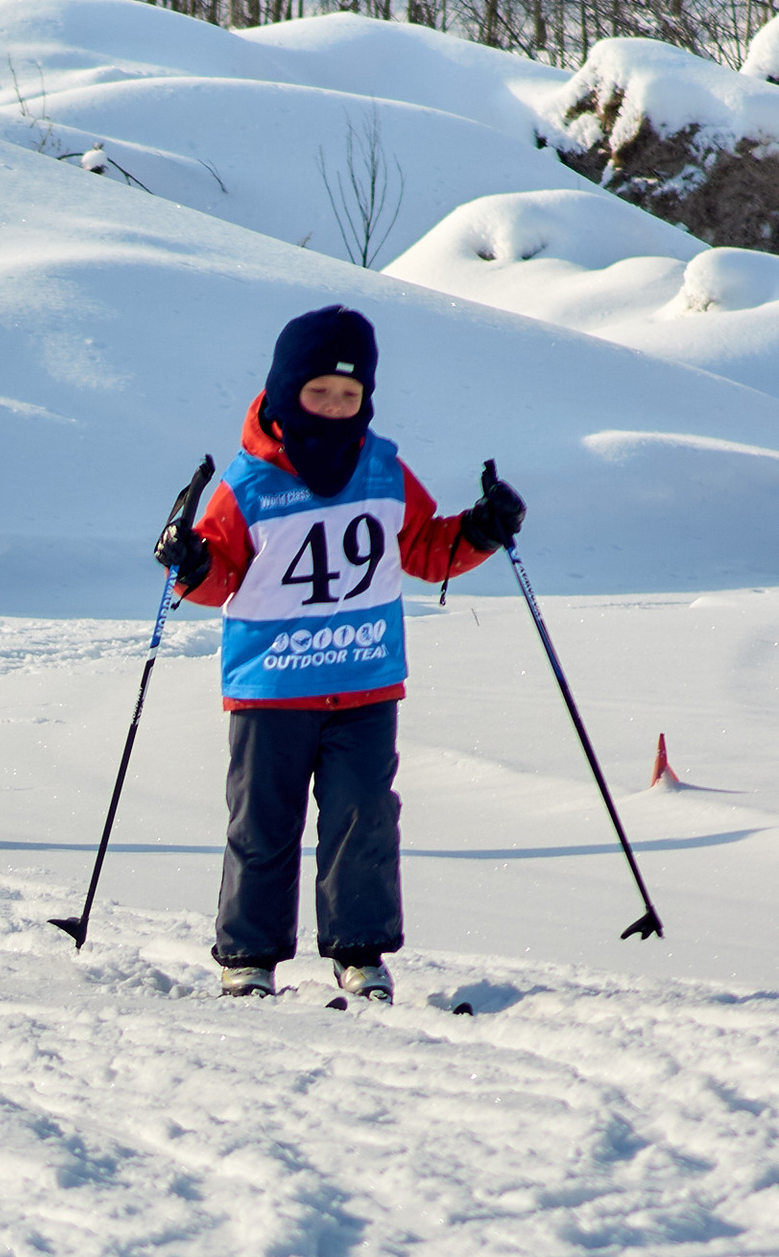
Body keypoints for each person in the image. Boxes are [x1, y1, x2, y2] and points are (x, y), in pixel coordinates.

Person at [159, 303, 523, 1000]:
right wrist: (190, 562)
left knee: (365, 821)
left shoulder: (384, 472)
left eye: (348, 395)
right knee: (263, 825)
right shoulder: (248, 484)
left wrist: (481, 530)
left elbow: (423, 549)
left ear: (367, 400)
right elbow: (219, 576)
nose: (332, 407)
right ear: (284, 390)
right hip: (272, 689)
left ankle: (360, 956)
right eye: (317, 392)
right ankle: (250, 958)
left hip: (364, 683)